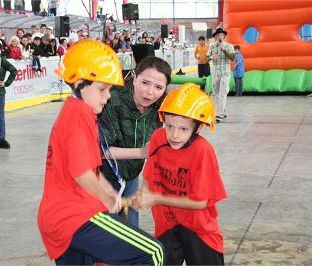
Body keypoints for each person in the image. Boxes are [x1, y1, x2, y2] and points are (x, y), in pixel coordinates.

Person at [37, 40, 164, 265]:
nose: (107, 97)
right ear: (79, 83)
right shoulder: (80, 115)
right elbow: (81, 174)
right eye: (102, 89)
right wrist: (105, 197)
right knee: (153, 252)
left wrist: (112, 194)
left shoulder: (74, 110)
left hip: (57, 217)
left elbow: (91, 169)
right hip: (75, 217)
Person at [134, 83, 227, 265]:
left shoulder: (202, 151)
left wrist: (156, 199)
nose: (174, 135)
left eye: (183, 129)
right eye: (169, 126)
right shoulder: (158, 139)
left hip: (198, 229)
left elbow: (200, 202)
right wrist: (144, 191)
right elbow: (150, 173)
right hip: (167, 224)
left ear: (198, 128)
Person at [98, 56, 172, 227]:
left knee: (130, 229)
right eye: (145, 83)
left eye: (158, 87)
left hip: (131, 177)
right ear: (134, 76)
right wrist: (141, 153)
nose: (150, 92)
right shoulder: (110, 100)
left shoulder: (161, 106)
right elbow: (98, 150)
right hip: (100, 178)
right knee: (106, 233)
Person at [206, 28, 235, 123]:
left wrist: (224, 50)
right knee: (216, 93)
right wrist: (210, 57)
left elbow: (232, 58)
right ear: (215, 37)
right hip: (215, 72)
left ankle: (219, 114)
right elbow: (205, 60)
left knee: (223, 92)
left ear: (224, 37)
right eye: (218, 35)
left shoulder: (229, 46)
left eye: (221, 35)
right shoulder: (212, 47)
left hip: (225, 72)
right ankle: (223, 111)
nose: (219, 37)